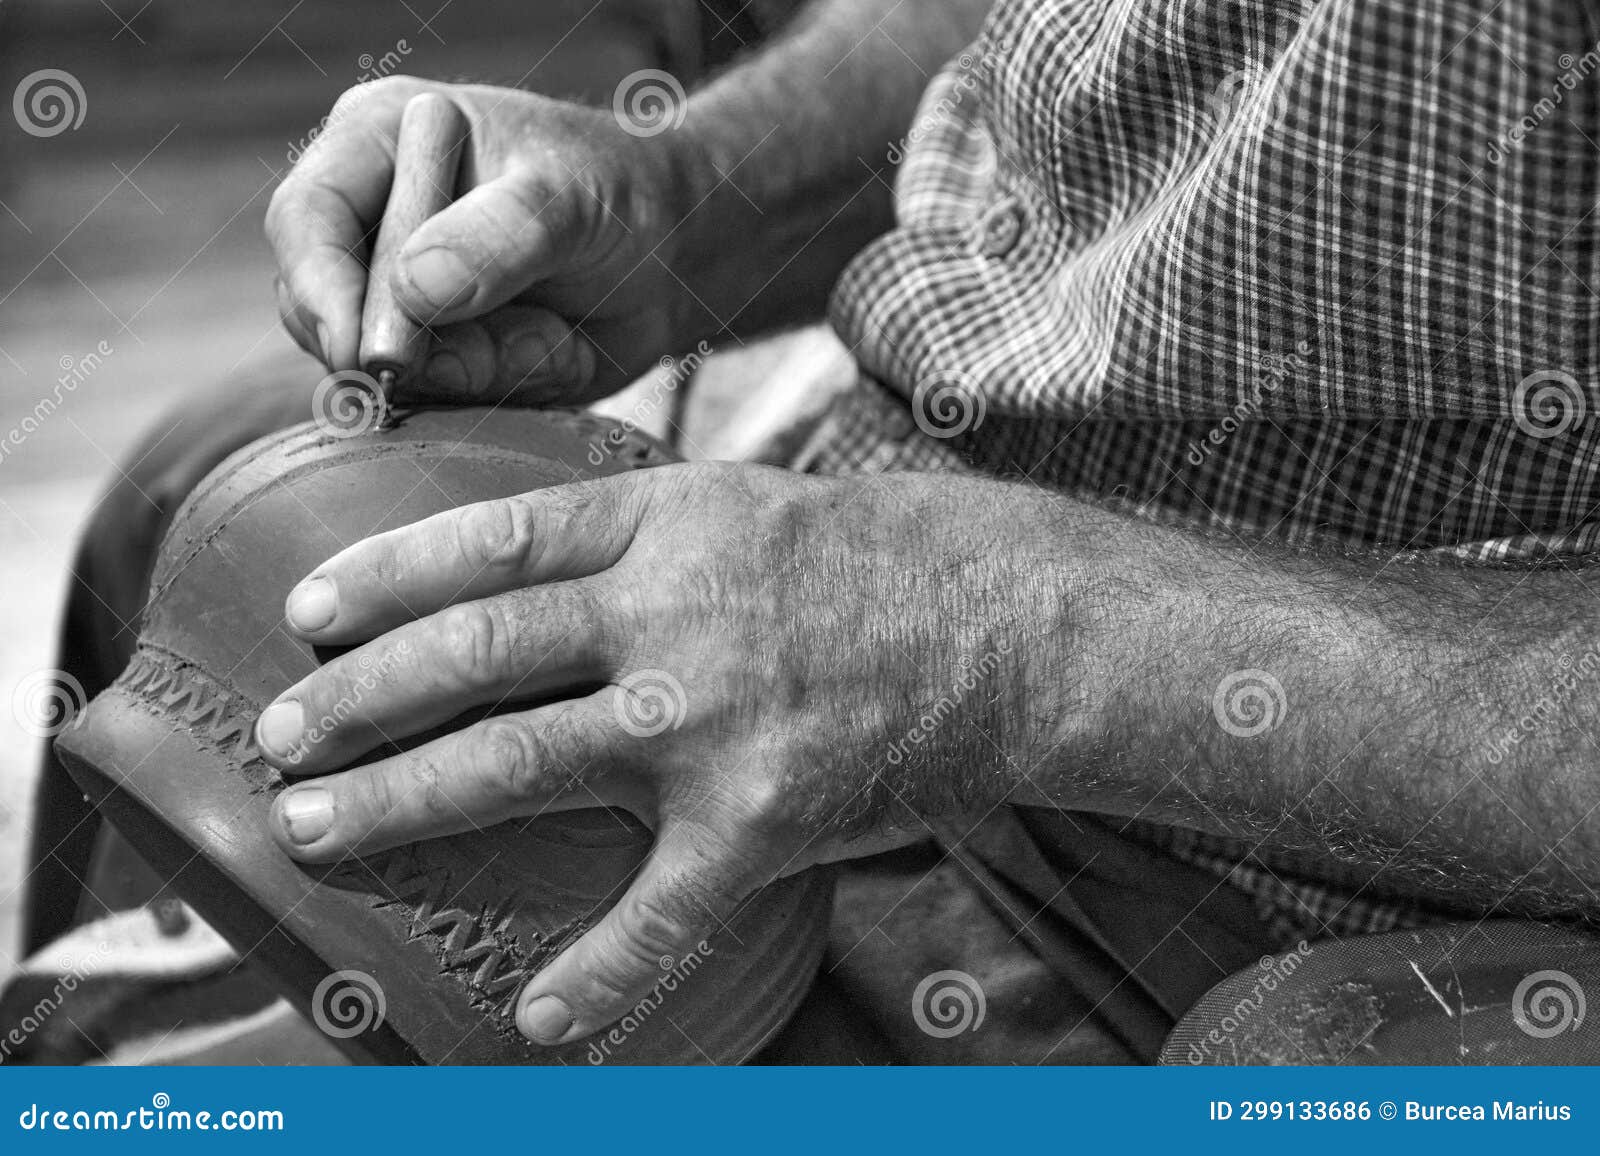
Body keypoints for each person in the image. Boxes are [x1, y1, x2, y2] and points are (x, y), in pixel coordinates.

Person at [25, 0, 1600, 1063]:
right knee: (204, 474)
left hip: (1337, 903)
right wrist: (700, 193)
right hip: (908, 497)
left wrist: (1003, 640)